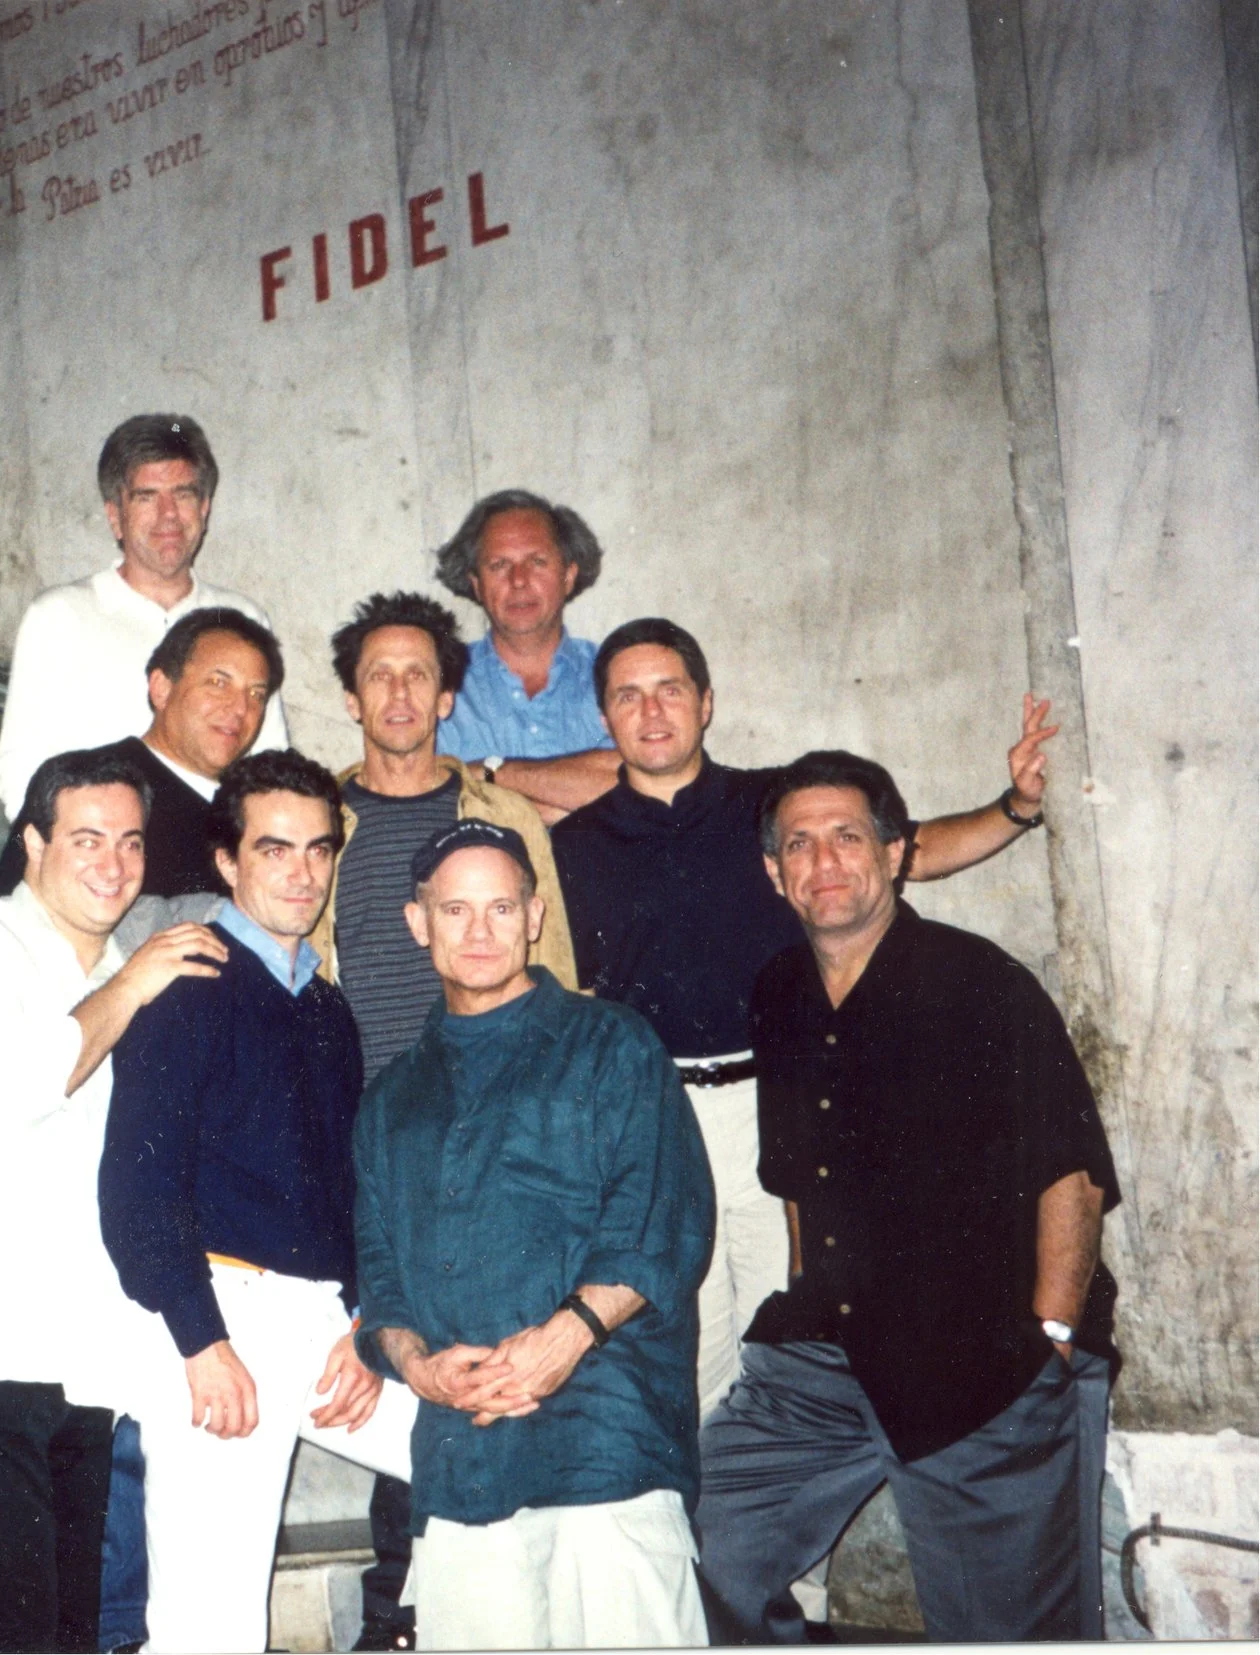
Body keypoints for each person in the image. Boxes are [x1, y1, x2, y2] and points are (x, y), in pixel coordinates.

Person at [548, 618, 1060, 1423]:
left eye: (670, 688)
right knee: (682, 1355)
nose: (652, 711)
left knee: (791, 1348)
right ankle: (709, 1543)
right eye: (627, 695)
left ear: (706, 702)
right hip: (656, 1122)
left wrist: (1017, 808)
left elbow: (913, 849)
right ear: (605, 717)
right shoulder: (570, 844)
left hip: (783, 1107)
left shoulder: (777, 806)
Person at [694, 751, 1119, 1643]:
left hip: (981, 1357)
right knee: (700, 1532)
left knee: (1006, 1627)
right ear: (775, 874)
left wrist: (1047, 1339)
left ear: (895, 854)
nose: (825, 862)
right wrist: (803, 1291)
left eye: (848, 836)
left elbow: (1072, 1172)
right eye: (799, 845)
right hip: (825, 1350)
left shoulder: (978, 981)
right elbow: (797, 1180)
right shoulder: (779, 990)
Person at [0, 747, 229, 1653]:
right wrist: (136, 979)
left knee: (66, 1636)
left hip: (82, 1354)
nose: (114, 864)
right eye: (87, 839)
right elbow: (14, 1086)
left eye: (131, 844)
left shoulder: (118, 971)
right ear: (32, 842)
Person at [352, 819, 715, 1650]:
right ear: (419, 923)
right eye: (455, 910)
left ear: (535, 914)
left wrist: (566, 1337)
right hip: (462, 1451)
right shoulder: (390, 1101)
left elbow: (659, 1219)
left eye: (500, 907)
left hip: (605, 1438)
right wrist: (421, 1367)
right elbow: (383, 1279)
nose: (479, 930)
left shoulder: (612, 1043)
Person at [100, 750, 420, 1653]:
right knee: (211, 1624)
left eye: (319, 850)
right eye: (275, 850)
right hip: (217, 1316)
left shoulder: (327, 1008)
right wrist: (201, 1342)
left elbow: (353, 1187)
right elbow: (136, 1188)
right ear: (229, 863)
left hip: (320, 1319)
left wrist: (365, 1324)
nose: (302, 873)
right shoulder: (185, 988)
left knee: (478, 1456)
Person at [305, 590, 578, 1649]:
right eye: (379, 672)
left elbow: (552, 968)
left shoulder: (501, 820)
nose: (400, 690)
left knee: (501, 1343)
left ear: (449, 693)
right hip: (369, 1139)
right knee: (406, 1352)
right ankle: (397, 1609)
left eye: (419, 671)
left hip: (499, 1133)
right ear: (349, 695)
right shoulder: (321, 822)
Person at [0, 414, 287, 819]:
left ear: (204, 509)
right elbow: (21, 769)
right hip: (98, 866)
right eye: (147, 496)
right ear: (115, 515)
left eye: (183, 495)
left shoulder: (241, 618)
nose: (168, 515)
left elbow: (269, 765)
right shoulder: (60, 617)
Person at [0, 607, 282, 943]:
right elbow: (6, 916)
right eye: (218, 683)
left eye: (256, 694)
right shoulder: (85, 786)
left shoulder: (250, 811)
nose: (240, 708)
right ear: (161, 689)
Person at [427, 491, 616, 809]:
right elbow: (430, 803)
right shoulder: (437, 683)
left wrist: (491, 773)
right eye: (499, 565)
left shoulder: (616, 674)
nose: (519, 580)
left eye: (537, 562)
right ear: (476, 584)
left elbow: (640, 789)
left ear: (568, 575)